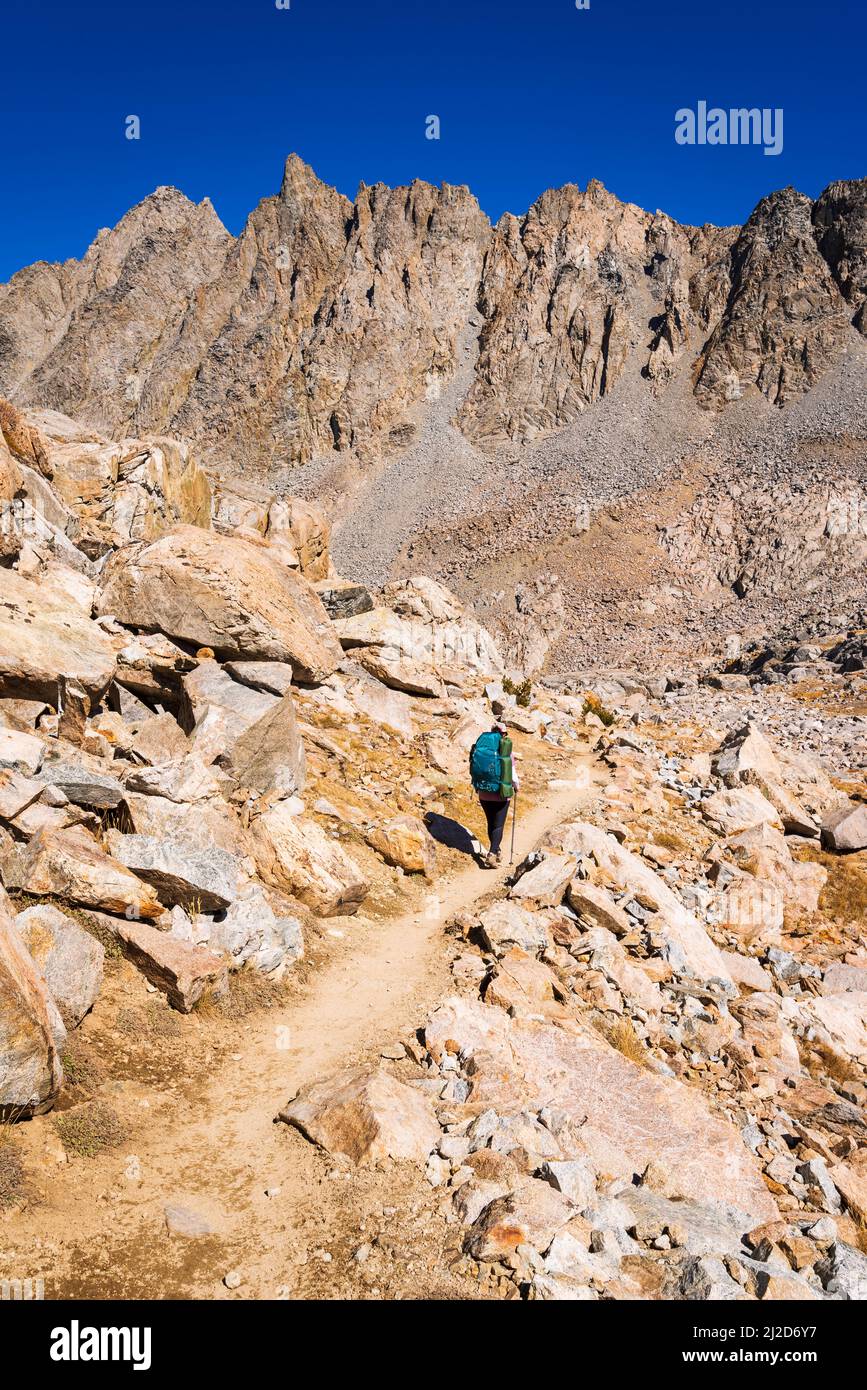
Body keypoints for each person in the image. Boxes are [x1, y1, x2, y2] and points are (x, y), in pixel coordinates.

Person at [472, 720, 519, 868]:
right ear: (503, 734)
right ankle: (491, 854)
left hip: (484, 793)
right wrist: (516, 787)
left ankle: (497, 850)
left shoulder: (481, 748)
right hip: (501, 794)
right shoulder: (506, 751)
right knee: (498, 825)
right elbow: (512, 775)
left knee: (491, 823)